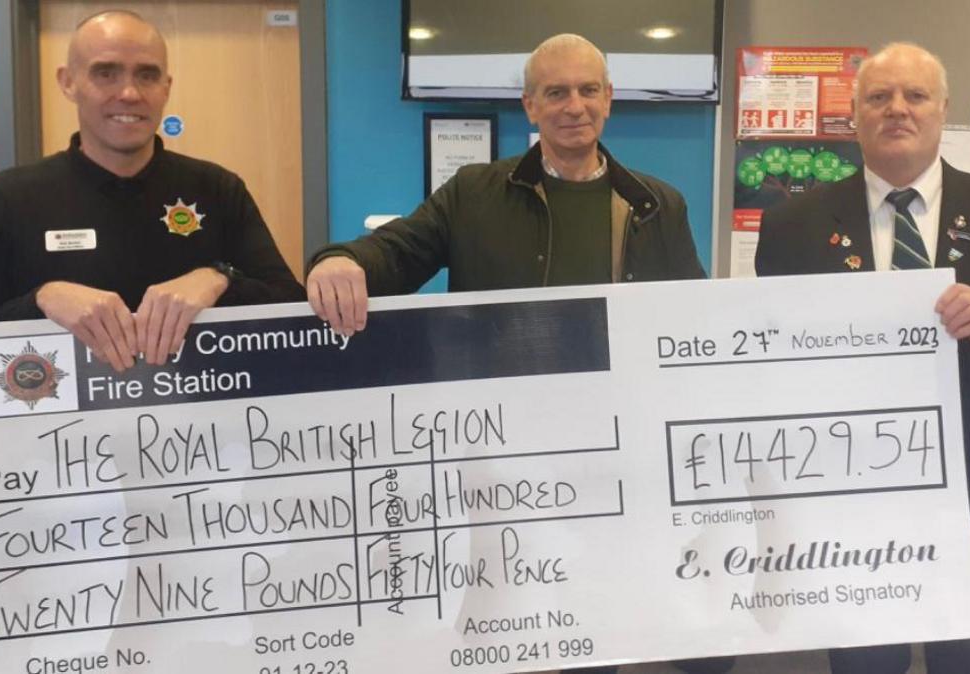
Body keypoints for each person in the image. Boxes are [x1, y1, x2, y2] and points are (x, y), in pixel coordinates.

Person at [307, 32, 734, 674]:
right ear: (529, 106)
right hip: (500, 454)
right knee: (507, 620)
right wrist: (339, 259)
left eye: (589, 89)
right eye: (555, 92)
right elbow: (397, 252)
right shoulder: (474, 193)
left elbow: (688, 321)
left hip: (613, 452)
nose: (574, 105)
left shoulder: (654, 204)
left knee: (596, 618)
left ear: (610, 99)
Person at [755, 43, 970, 673]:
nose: (898, 110)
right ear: (854, 115)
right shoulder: (793, 227)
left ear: (942, 109)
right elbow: (772, 360)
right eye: (879, 97)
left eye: (914, 96)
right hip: (850, 508)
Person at [0, 10, 303, 402]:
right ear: (67, 82)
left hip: (205, 447)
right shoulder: (7, 200)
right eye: (105, 72)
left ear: (166, 86)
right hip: (63, 451)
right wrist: (40, 300)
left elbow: (297, 325)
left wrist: (221, 279)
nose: (129, 93)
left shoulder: (217, 190)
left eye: (147, 74)